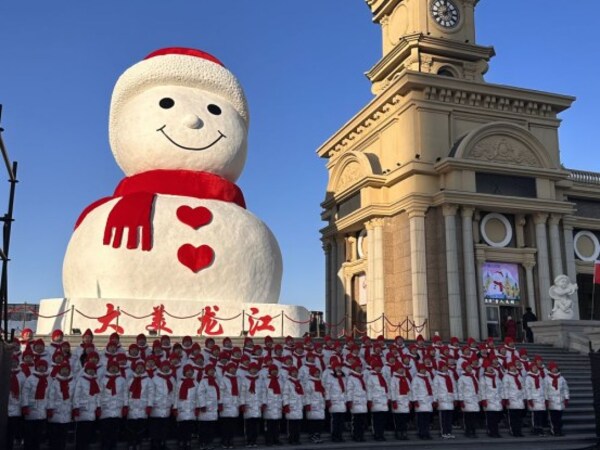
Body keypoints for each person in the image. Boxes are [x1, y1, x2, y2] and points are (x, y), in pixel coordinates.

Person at [73, 362, 102, 450]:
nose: (91, 371)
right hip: (82, 409)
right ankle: (79, 446)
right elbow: (76, 395)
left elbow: (98, 395)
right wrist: (76, 407)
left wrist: (98, 406)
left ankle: (86, 446)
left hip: (92, 409)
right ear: (86, 370)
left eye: (93, 370)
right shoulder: (81, 380)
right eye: (89, 370)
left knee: (89, 430)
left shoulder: (96, 380)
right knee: (81, 431)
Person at [47, 362, 75, 450]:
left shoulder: (73, 382)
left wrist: (74, 409)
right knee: (54, 435)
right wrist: (50, 409)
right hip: (56, 411)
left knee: (63, 434)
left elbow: (74, 396)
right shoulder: (55, 382)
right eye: (63, 369)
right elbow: (50, 396)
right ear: (60, 370)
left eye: (67, 369)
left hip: (67, 411)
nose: (65, 371)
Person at [174, 364, 199, 450]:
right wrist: (175, 407)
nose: (189, 373)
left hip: (191, 408)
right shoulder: (179, 383)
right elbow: (176, 396)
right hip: (182, 408)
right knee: (181, 427)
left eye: (191, 371)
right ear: (184, 372)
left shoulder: (196, 383)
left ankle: (188, 442)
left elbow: (198, 397)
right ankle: (181, 441)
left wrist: (197, 407)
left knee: (189, 427)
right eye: (187, 371)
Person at [197, 364, 221, 450]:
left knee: (211, 427)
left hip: (213, 408)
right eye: (210, 370)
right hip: (205, 408)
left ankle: (209, 442)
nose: (212, 371)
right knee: (204, 427)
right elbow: (200, 393)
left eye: (213, 370)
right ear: (206, 371)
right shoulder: (203, 381)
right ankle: (202, 443)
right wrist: (202, 405)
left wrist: (219, 403)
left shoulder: (216, 381)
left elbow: (219, 393)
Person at [545, 361, 570, 436]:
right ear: (550, 369)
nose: (554, 369)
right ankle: (554, 430)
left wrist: (566, 398)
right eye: (553, 368)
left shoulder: (561, 378)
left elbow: (565, 389)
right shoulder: (546, 379)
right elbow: (545, 390)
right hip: (552, 400)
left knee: (559, 417)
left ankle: (559, 430)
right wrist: (546, 400)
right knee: (553, 418)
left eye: (555, 368)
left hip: (560, 400)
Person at [325, 361, 347, 442]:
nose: (339, 368)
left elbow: (346, 390)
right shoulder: (330, 377)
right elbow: (327, 389)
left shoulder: (344, 377)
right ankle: (334, 436)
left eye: (340, 366)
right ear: (334, 368)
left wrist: (346, 400)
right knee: (335, 420)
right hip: (334, 401)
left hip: (342, 402)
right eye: (337, 366)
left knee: (341, 421)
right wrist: (328, 400)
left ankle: (340, 435)